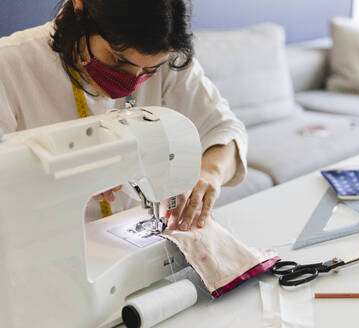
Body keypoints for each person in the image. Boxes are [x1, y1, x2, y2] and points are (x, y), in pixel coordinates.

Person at [0, 0, 247, 231]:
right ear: (80, 6)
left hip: (124, 232)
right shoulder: (9, 66)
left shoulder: (169, 58)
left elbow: (224, 130)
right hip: (43, 239)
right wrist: (61, 183)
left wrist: (211, 173)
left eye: (150, 69)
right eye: (117, 59)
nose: (133, 80)